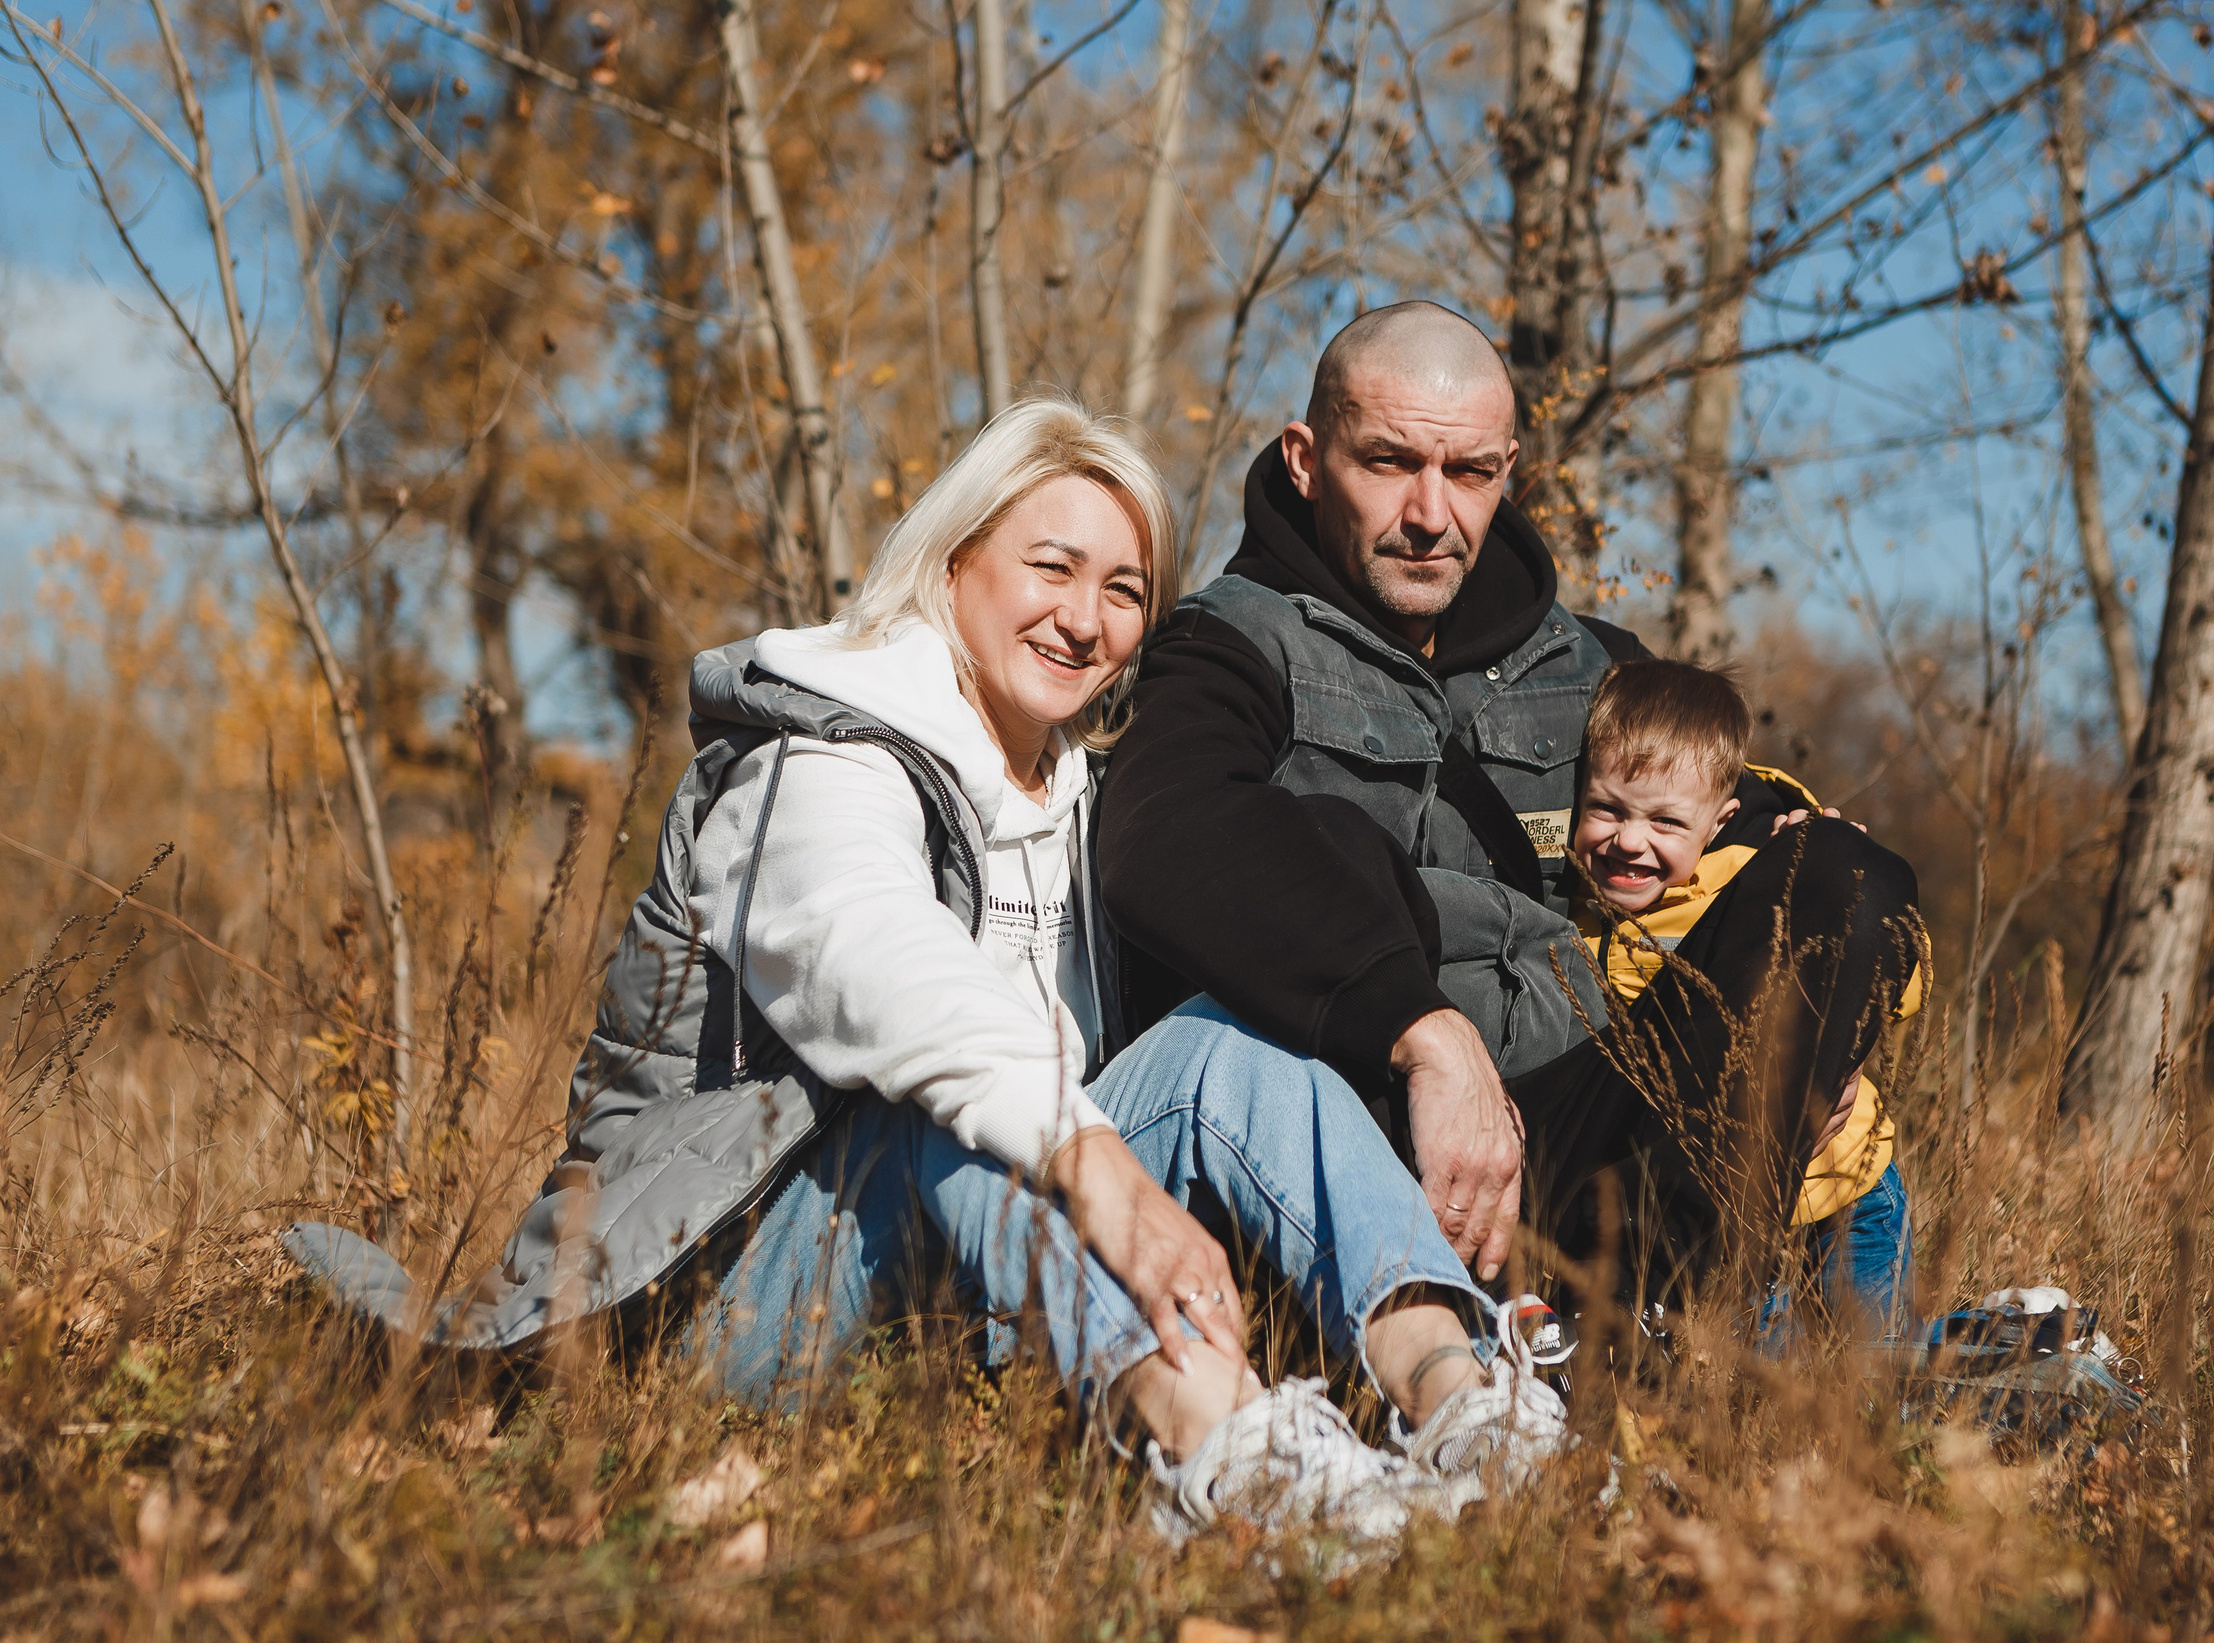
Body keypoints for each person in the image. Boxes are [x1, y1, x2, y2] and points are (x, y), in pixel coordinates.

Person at [283, 395, 1566, 1548]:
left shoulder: (1072, 794)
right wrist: (1102, 1173)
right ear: (954, 565)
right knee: (935, 1120)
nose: (1085, 617)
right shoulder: (815, 756)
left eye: (1125, 589)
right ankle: (1228, 1452)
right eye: (1050, 567)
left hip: (968, 1284)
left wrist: (1417, 1027)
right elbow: (880, 968)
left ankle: (1465, 1403)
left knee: (1233, 1046)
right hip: (722, 1291)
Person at [1095, 302, 1929, 1322]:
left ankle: (1654, 1338)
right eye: (1390, 461)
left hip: (1589, 1120)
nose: (1430, 514)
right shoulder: (1231, 647)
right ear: (1307, 459)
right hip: (1366, 1122)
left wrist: (1808, 992)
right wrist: (1418, 1029)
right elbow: (1161, 836)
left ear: (1509, 470)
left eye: (1470, 473)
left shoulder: (1587, 663)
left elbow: (1706, 814)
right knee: (1335, 845)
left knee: (1844, 877)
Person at [1563, 659, 1918, 1337]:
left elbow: (1896, 971)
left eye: (1666, 822)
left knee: (1873, 1368)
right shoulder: (1574, 923)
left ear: (1719, 820)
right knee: (1767, 1374)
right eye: (1608, 808)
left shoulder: (1744, 885)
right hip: (1738, 1207)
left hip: (1846, 1189)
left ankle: (2033, 1349)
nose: (1629, 840)